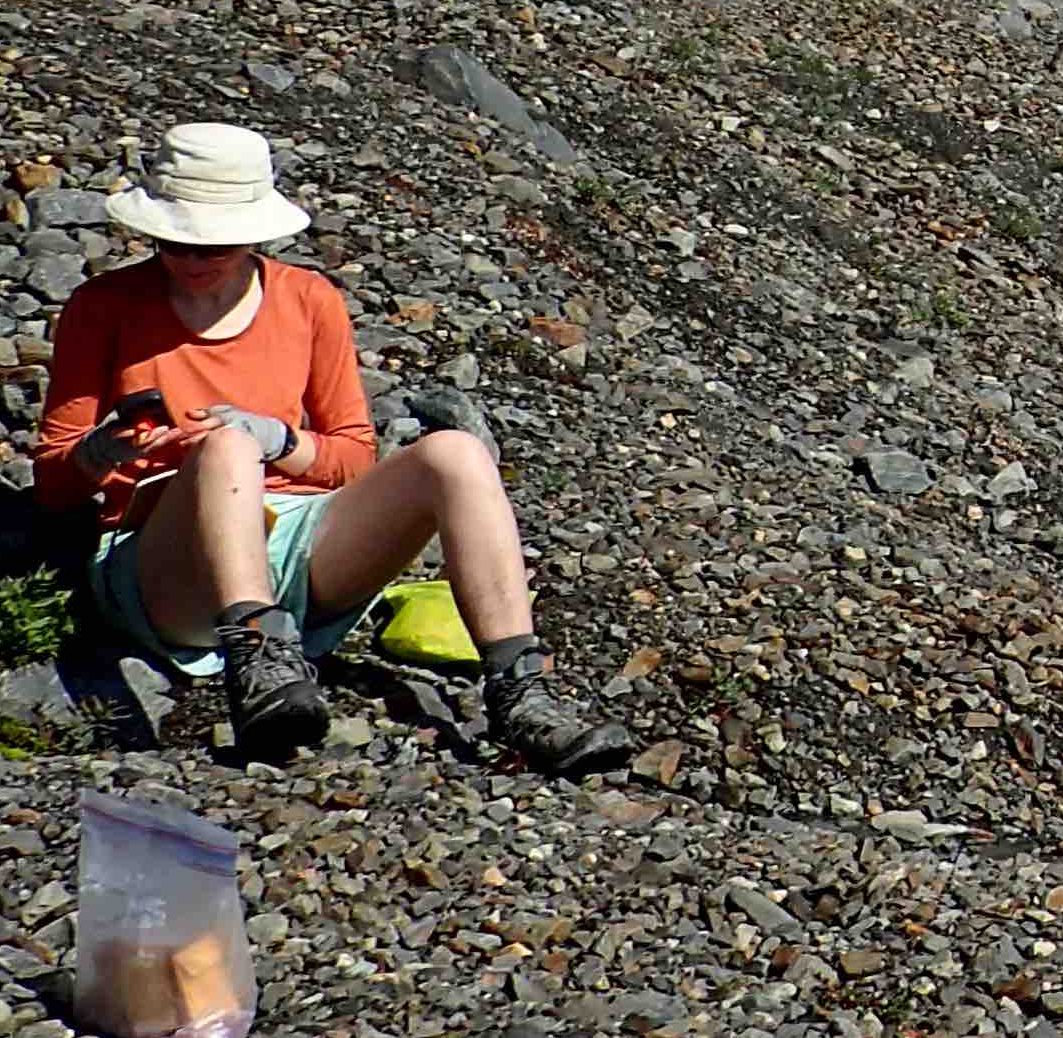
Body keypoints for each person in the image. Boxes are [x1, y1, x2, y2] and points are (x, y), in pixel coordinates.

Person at [37, 122, 630, 773]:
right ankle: (257, 665)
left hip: (300, 541)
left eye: (218, 244)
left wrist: (282, 442)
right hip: (167, 564)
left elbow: (352, 457)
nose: (196, 258)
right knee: (227, 448)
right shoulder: (103, 306)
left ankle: (522, 694)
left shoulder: (308, 301)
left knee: (455, 453)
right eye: (178, 241)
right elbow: (55, 485)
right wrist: (106, 451)